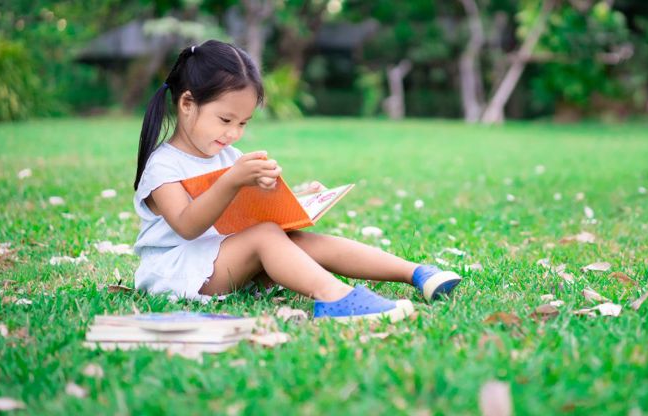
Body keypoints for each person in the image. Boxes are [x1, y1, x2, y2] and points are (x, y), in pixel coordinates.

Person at [132, 40, 462, 322]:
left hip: (224, 259)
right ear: (187, 104)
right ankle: (335, 298)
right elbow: (187, 226)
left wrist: (295, 200)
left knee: (294, 238)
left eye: (243, 123)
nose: (233, 133)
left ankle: (415, 272)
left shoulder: (228, 156)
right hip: (178, 271)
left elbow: (247, 213)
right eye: (225, 119)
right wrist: (232, 181)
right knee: (265, 236)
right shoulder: (164, 165)